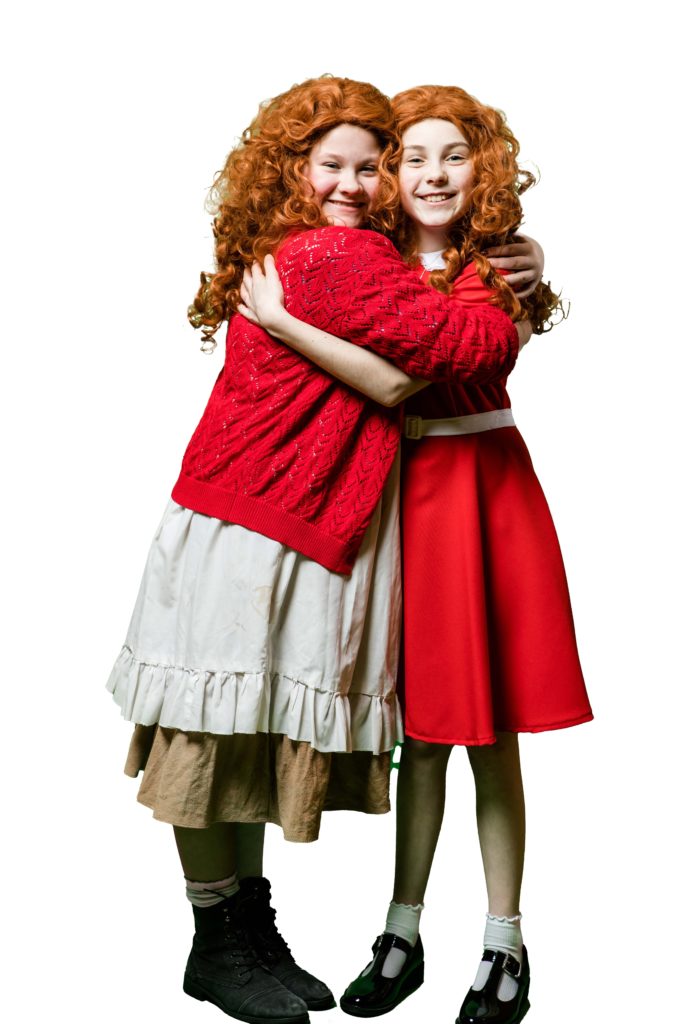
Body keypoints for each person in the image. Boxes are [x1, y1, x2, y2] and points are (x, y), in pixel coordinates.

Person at [106, 76, 532, 1024]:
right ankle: (217, 941)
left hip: (269, 519)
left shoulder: (325, 252)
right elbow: (443, 354)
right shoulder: (335, 255)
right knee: (214, 736)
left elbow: (409, 351)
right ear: (290, 170)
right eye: (329, 165)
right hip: (251, 523)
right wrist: (510, 289)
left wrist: (520, 257)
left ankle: (242, 930)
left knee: (242, 733)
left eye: (369, 168)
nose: (351, 184)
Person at [237, 84, 592, 1024]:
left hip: (486, 495)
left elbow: (418, 372)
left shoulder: (495, 270)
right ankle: (401, 932)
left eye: (454, 156)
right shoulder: (373, 261)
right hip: (405, 501)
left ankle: (504, 941)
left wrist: (285, 322)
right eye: (413, 158)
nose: (432, 175)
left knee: (491, 732)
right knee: (421, 733)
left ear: (485, 170)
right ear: (389, 176)